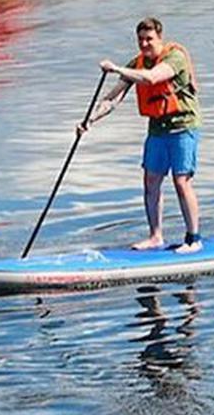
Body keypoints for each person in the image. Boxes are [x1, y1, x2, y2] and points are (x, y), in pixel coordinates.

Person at [84, 17, 203, 252]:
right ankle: (155, 236)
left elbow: (152, 78)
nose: (144, 44)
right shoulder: (136, 63)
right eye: (140, 39)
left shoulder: (174, 57)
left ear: (160, 38)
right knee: (151, 180)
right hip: (157, 129)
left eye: (149, 39)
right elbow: (113, 98)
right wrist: (89, 120)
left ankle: (193, 239)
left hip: (183, 127)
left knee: (181, 182)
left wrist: (116, 68)